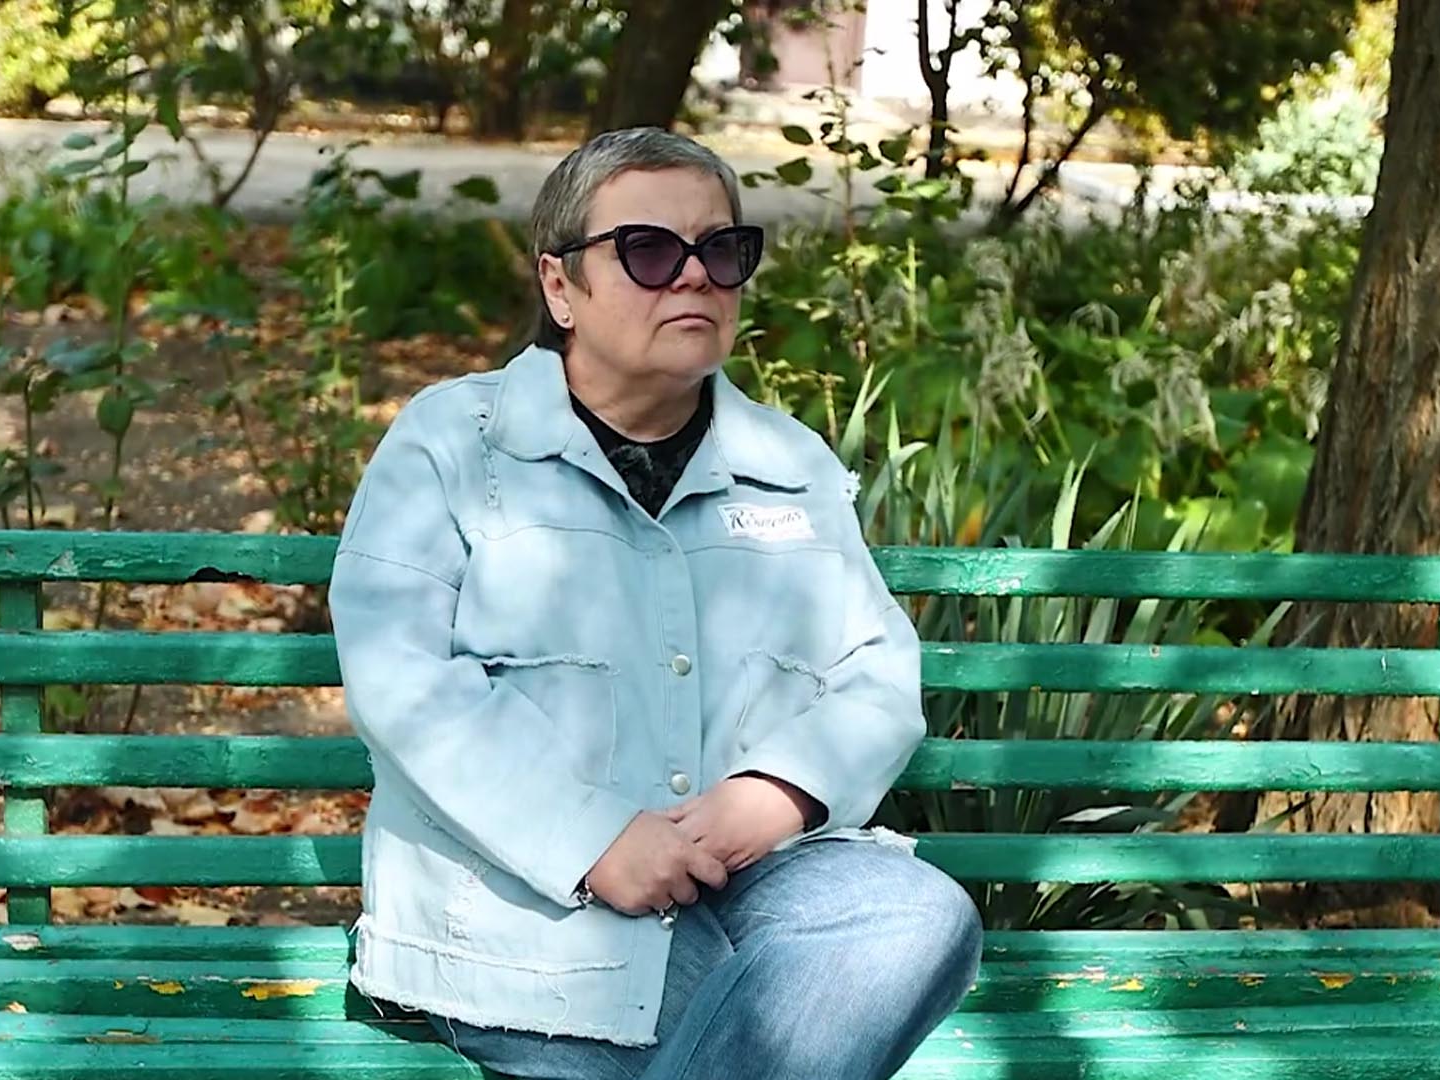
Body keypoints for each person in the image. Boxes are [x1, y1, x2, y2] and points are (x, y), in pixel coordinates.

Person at [328, 126, 982, 1080]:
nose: (696, 276)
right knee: (764, 1020)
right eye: (648, 250)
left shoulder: (788, 462)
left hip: (758, 879)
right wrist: (593, 838)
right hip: (530, 897)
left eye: (722, 249)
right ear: (560, 287)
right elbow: (403, 681)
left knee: (915, 917)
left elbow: (876, 672)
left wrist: (781, 791)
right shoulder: (453, 446)